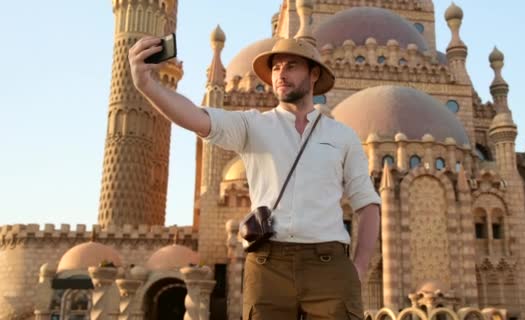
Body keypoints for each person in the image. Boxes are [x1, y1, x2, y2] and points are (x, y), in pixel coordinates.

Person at [129, 35, 380, 319]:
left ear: (314, 74)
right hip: (268, 262)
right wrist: (147, 85)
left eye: (291, 66)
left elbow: (367, 203)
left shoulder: (341, 135)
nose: (281, 74)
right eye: (275, 68)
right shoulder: (253, 125)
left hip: (328, 263)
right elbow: (196, 118)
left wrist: (358, 268)